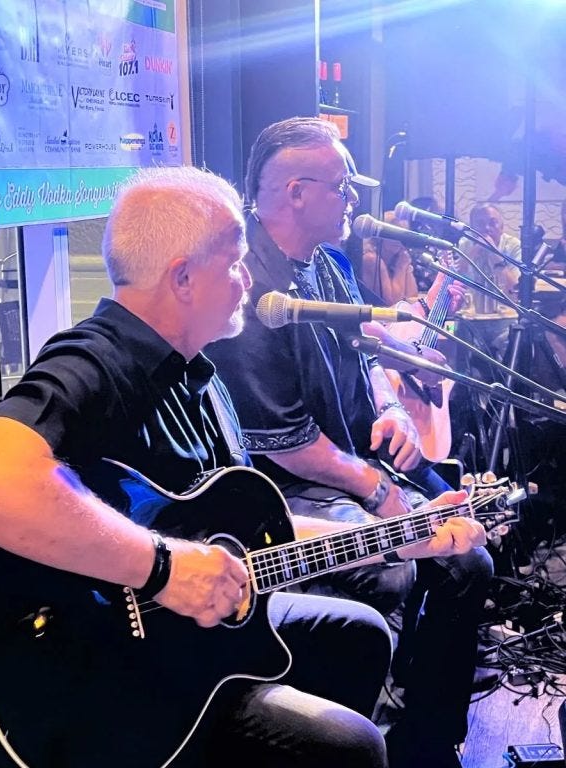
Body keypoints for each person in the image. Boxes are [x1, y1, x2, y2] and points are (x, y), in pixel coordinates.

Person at [0, 166, 486, 768]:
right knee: (354, 748)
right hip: (95, 680)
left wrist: (395, 540)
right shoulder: (96, 359)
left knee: (358, 637)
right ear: (183, 279)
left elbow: (262, 529)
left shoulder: (202, 374)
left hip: (189, 643)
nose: (248, 279)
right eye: (234, 262)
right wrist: (160, 568)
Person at [207, 117, 494, 768]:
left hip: (350, 462)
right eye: (343, 187)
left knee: (468, 555)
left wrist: (391, 405)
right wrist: (381, 491)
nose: (356, 201)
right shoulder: (250, 290)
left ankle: (427, 737)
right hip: (291, 490)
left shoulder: (325, 265)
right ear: (296, 193)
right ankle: (377, 738)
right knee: (395, 570)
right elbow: (288, 446)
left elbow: (365, 350)